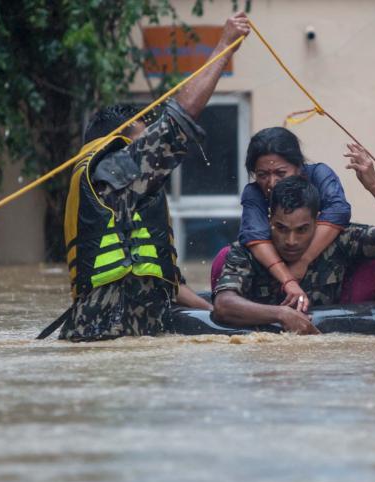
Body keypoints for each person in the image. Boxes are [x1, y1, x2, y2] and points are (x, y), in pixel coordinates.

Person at [41, 12, 250, 342]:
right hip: (109, 336)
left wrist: (217, 316)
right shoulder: (110, 173)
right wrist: (224, 46)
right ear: (120, 141)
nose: (150, 148)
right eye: (143, 139)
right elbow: (179, 121)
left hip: (131, 332)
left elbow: (168, 283)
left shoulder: (120, 189)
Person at [212, 144, 375, 334]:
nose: (291, 240)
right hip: (270, 334)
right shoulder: (248, 251)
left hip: (341, 333)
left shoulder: (340, 239)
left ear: (318, 222)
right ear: (269, 222)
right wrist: (281, 314)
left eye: (302, 230)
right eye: (281, 228)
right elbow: (224, 305)